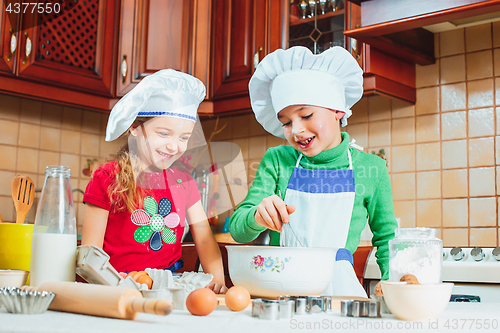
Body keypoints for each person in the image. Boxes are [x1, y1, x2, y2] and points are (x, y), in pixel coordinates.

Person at [228, 46, 397, 297]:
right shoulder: (278, 160)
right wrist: (257, 217)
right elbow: (238, 229)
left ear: (338, 109)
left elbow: (387, 239)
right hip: (281, 292)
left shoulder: (371, 168)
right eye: (285, 122)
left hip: (339, 293)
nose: (295, 130)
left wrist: (390, 280)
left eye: (306, 115)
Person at [81, 69, 227, 293]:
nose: (174, 146)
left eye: (184, 137)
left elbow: (206, 241)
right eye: (164, 133)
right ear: (135, 128)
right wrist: (113, 285)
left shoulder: (185, 183)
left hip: (167, 290)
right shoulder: (107, 178)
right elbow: (90, 253)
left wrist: (218, 281)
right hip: (115, 288)